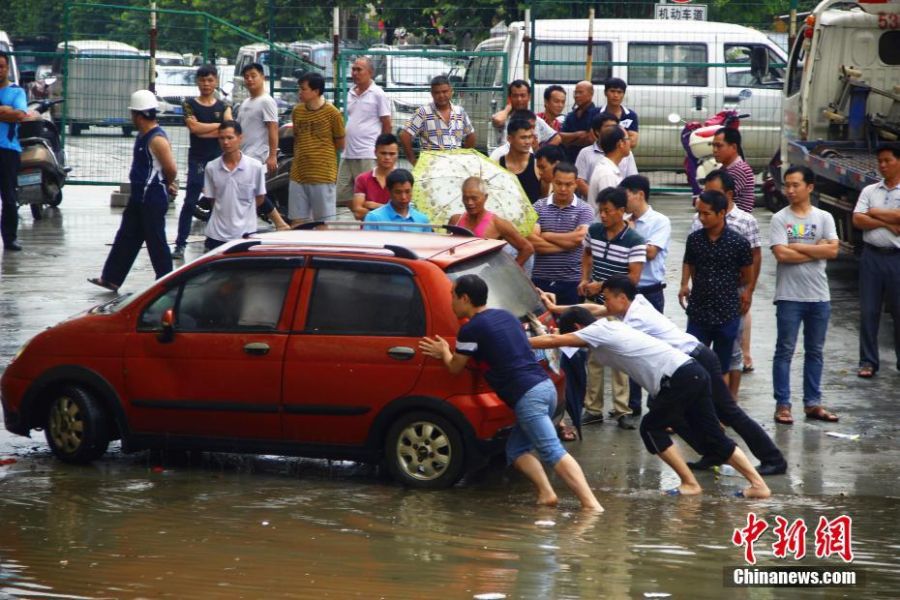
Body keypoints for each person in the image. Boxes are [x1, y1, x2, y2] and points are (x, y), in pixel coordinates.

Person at [540, 276, 787, 476]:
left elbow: (595, 317)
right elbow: (593, 309)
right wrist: (555, 309)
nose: (605, 304)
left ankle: (772, 458)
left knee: (728, 412)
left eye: (608, 298)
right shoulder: (633, 305)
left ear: (621, 298)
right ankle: (710, 451)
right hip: (683, 366)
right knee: (668, 410)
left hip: (694, 359)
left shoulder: (634, 320)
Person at [531, 308, 771, 499]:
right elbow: (579, 319)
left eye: (573, 337)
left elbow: (555, 340)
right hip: (691, 372)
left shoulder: (598, 329)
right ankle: (758, 485)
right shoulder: (609, 327)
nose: (574, 344)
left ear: (577, 328)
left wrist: (522, 341)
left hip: (678, 379)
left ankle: (689, 483)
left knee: (651, 428)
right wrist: (552, 310)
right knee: (713, 436)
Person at [418, 275, 603, 511]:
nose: (451, 302)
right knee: (516, 450)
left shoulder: (471, 329)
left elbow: (455, 367)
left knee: (551, 450)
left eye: (453, 296)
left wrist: (443, 351)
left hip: (528, 396)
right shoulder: (505, 315)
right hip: (546, 389)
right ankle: (546, 494)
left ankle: (591, 505)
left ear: (465, 298)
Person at [770, 166, 841, 425]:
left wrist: (796, 247)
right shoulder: (780, 218)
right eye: (787, 185)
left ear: (809, 187)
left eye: (795, 185)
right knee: (785, 350)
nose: (790, 190)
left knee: (815, 351)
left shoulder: (824, 217)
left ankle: (812, 403)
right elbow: (781, 255)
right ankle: (783, 404)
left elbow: (833, 251)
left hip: (819, 296)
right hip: (789, 296)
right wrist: (815, 248)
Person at [89, 90, 177, 292]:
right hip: (138, 197)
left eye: (133, 114)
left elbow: (171, 169)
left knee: (156, 241)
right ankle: (111, 278)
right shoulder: (142, 135)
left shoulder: (157, 139)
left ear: (139, 115)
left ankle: (167, 281)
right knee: (126, 236)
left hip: (152, 198)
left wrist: (166, 183)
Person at [579, 187, 645, 429]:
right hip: (595, 304)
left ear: (621, 211)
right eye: (601, 211)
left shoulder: (635, 241)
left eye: (607, 211)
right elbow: (586, 255)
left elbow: (634, 278)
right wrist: (584, 279)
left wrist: (602, 285)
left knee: (620, 359)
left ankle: (621, 410)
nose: (603, 216)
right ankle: (593, 409)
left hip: (619, 307)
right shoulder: (594, 231)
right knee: (594, 357)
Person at [694, 169, 762, 399]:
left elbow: (755, 258)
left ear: (729, 195)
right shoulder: (698, 220)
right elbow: (693, 257)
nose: (707, 198)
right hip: (705, 294)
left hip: (735, 292)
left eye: (714, 193)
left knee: (732, 352)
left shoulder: (746, 221)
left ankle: (729, 403)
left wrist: (748, 291)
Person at [679, 191, 753, 373]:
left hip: (726, 311)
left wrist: (743, 292)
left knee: (722, 365)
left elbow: (747, 275)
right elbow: (689, 262)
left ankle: (720, 400)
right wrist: (684, 284)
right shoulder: (694, 240)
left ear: (721, 213)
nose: (701, 218)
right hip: (699, 311)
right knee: (694, 361)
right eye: (699, 213)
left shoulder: (739, 243)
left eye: (706, 214)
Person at [621, 174, 671, 416]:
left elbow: (650, 253)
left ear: (639, 195)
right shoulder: (624, 220)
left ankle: (656, 403)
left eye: (626, 196)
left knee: (653, 349)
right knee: (629, 349)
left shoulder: (659, 221)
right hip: (629, 292)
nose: (623, 202)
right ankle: (632, 404)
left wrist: (631, 234)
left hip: (651, 291)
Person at [173, 65, 232, 260]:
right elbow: (194, 128)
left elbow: (228, 131)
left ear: (215, 82)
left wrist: (207, 129)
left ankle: (218, 242)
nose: (206, 84)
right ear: (197, 82)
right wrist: (217, 126)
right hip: (197, 160)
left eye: (210, 80)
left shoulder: (224, 105)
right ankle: (180, 244)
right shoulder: (189, 104)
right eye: (202, 80)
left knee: (220, 202)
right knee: (190, 202)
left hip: (218, 159)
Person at [852, 142, 900, 378]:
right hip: (871, 256)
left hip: (896, 257)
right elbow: (858, 219)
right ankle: (868, 361)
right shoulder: (870, 191)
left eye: (887, 160)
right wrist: (889, 223)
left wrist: (874, 212)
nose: (882, 165)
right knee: (869, 310)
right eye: (879, 161)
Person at [202, 121, 289, 251]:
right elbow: (213, 200)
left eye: (230, 138)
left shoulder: (255, 167)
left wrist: (242, 214)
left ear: (240, 138)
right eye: (222, 138)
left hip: (246, 235)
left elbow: (260, 198)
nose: (226, 142)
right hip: (216, 235)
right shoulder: (211, 167)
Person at [289, 71, 346, 226]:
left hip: (323, 175)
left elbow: (340, 143)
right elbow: (297, 138)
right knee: (297, 221)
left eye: (303, 89)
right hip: (298, 174)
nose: (300, 92)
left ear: (316, 91)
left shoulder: (333, 113)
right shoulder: (297, 111)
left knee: (323, 223)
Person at [337, 57, 392, 208]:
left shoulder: (378, 94)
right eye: (353, 69)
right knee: (340, 195)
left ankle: (371, 221)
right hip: (348, 152)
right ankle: (362, 210)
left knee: (369, 193)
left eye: (359, 70)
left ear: (370, 73)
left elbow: (387, 123)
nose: (355, 73)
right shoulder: (350, 93)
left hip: (367, 152)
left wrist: (383, 150)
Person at [448, 176, 534, 267]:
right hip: (457, 275)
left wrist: (509, 271)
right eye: (466, 198)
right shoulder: (455, 220)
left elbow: (527, 248)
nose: (469, 202)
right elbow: (445, 250)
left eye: (474, 198)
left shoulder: (497, 223)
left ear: (485, 197)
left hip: (485, 277)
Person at [400, 75, 475, 166]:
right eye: (437, 92)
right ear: (432, 94)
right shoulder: (423, 112)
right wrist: (414, 162)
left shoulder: (460, 111)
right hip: (431, 167)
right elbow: (404, 135)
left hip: (455, 166)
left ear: (451, 91)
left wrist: (463, 157)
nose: (441, 95)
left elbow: (471, 135)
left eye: (445, 91)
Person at [575, 112, 637, 199]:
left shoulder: (626, 155)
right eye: (609, 128)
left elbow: (633, 180)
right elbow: (580, 181)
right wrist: (595, 199)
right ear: (597, 131)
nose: (614, 131)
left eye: (616, 127)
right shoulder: (606, 174)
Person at [0, 51, 27, 251]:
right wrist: (5, 111)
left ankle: (10, 238)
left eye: (1, 66)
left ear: (7, 68)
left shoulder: (17, 92)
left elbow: (19, 115)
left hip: (8, 150)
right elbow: (12, 113)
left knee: (9, 196)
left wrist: (10, 112)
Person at [235, 63, 278, 175]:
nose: (250, 79)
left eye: (253, 76)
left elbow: (273, 128)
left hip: (257, 157)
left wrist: (272, 156)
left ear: (262, 77)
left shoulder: (266, 101)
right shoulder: (245, 102)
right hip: (243, 155)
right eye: (246, 77)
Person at [490, 80, 559, 147]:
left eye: (522, 95)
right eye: (515, 96)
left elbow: (557, 138)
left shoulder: (536, 120)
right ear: (510, 97)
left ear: (529, 97)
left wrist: (541, 154)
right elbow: (498, 120)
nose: (519, 99)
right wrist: (508, 108)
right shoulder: (504, 118)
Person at [350, 133, 398, 221]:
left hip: (394, 232)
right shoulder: (362, 179)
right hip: (369, 232)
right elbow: (357, 213)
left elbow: (403, 212)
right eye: (383, 153)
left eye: (392, 154)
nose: (387, 157)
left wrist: (374, 205)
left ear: (397, 154)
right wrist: (391, 211)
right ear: (375, 152)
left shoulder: (402, 179)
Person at [363, 169, 429, 231]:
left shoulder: (422, 220)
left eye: (407, 191)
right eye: (398, 192)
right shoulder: (374, 218)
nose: (403, 197)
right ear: (389, 191)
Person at [498, 118, 542, 204]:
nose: (528, 142)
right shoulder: (498, 164)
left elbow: (545, 196)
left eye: (530, 137)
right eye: (523, 138)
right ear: (510, 139)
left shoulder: (537, 164)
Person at [712, 128, 755, 213]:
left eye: (719, 146)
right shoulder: (726, 168)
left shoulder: (739, 170)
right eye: (713, 145)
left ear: (734, 147)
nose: (714, 150)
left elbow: (715, 200)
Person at [586, 127, 630, 207]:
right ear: (620, 143)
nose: (630, 142)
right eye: (627, 138)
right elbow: (610, 209)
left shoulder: (609, 168)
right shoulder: (607, 174)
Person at [558, 81, 598, 162]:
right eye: (575, 93)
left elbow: (590, 140)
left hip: (589, 160)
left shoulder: (596, 114)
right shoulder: (571, 115)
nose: (576, 96)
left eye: (580, 93)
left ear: (591, 94)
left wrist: (570, 140)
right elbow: (560, 137)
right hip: (570, 160)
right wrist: (578, 135)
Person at [598, 77, 639, 149]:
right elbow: (592, 139)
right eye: (612, 91)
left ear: (623, 94)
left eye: (619, 92)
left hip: (623, 157)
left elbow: (632, 142)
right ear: (605, 93)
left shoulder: (631, 115)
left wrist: (605, 137)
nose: (616, 95)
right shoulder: (596, 113)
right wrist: (624, 137)